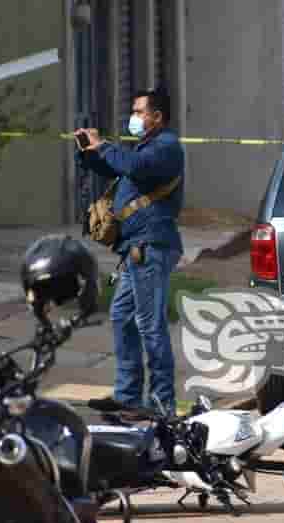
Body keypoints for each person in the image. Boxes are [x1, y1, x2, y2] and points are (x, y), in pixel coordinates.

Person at [75, 87, 184, 415]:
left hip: (150, 247)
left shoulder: (166, 147)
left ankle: (162, 404)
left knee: (150, 325)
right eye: (134, 112)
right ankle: (128, 395)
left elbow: (133, 165)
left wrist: (104, 146)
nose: (133, 118)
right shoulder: (146, 147)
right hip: (135, 248)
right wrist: (88, 152)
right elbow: (114, 167)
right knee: (122, 316)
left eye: (139, 112)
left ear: (157, 117)